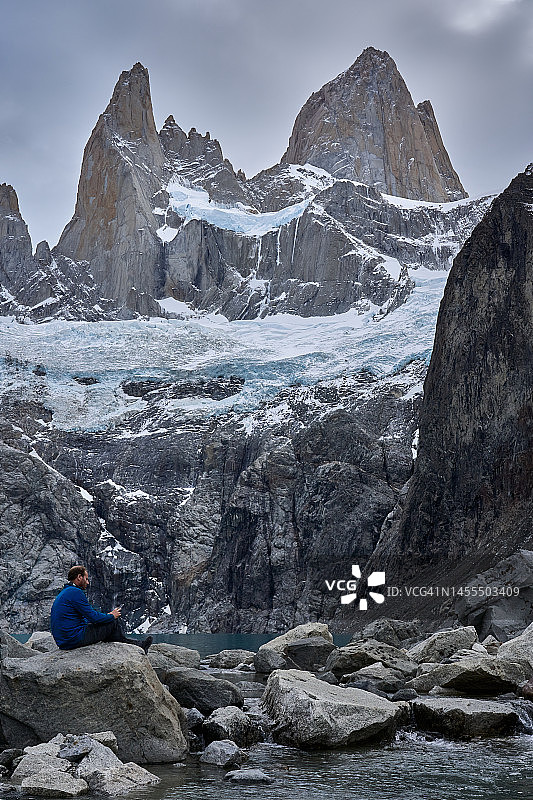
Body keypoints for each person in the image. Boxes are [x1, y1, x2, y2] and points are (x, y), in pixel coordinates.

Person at [50, 565, 152, 653]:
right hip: (74, 639)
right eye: (86, 579)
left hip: (64, 641)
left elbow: (84, 618)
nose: (88, 583)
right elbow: (93, 617)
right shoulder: (75, 592)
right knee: (113, 622)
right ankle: (137, 645)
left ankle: (137, 644)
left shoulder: (65, 592)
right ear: (79, 577)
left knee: (107, 623)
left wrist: (105, 617)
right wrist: (111, 616)